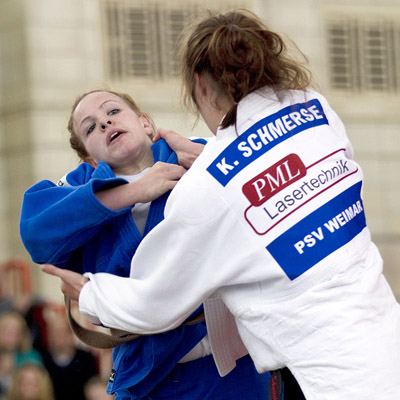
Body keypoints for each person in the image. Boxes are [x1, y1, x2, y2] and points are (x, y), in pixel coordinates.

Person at [40, 8, 400, 400]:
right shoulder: (315, 108)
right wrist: (208, 162)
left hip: (323, 380)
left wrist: (90, 295)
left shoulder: (210, 186)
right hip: (386, 347)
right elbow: (274, 165)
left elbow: (155, 299)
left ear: (201, 85)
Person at [20, 90, 271, 399]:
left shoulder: (197, 153)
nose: (104, 122)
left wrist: (205, 159)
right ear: (90, 157)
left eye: (112, 111)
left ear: (145, 124)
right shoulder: (82, 187)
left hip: (230, 364)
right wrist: (134, 191)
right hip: (147, 373)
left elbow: (269, 186)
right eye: (90, 127)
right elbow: (35, 231)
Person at [38, 313, 98, 400]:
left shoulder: (86, 359)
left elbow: (94, 389)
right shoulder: (41, 359)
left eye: (62, 332)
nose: (58, 337)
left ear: (71, 335)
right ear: (48, 336)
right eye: (54, 332)